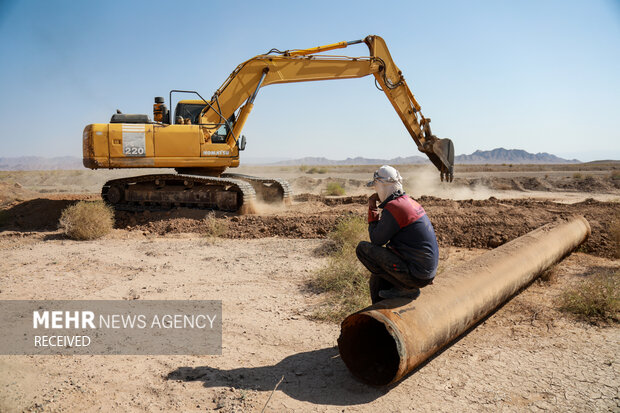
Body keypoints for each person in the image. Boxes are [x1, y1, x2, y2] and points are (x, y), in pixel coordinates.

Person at [356, 165, 439, 303]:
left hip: (416, 274)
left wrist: (372, 207)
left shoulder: (395, 207)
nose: (376, 192)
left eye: (376, 187)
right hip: (425, 272)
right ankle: (394, 293)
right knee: (377, 276)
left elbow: (376, 240)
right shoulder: (409, 202)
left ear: (381, 186)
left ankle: (406, 287)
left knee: (363, 249)